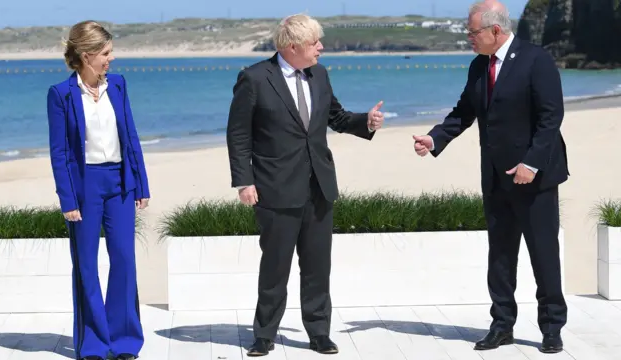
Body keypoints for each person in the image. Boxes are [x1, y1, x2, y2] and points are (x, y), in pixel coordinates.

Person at [412, 0, 568, 354]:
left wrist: (532, 163)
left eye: (473, 31)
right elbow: (464, 111)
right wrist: (435, 138)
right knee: (499, 256)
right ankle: (502, 325)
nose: (469, 37)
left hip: (535, 177)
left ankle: (551, 327)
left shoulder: (536, 60)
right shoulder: (478, 66)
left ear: (495, 30)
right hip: (496, 178)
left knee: (543, 254)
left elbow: (550, 117)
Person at [226, 13, 384, 357]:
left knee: (317, 267)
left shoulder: (320, 75)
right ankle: (264, 335)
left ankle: (318, 333)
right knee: (275, 268)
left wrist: (366, 122)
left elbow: (337, 117)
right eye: (315, 43)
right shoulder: (253, 78)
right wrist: (244, 182)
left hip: (319, 187)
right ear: (293, 46)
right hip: (274, 188)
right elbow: (238, 135)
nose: (321, 48)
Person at [46, 20, 150, 360]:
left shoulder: (118, 86)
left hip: (119, 183)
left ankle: (124, 343)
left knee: (124, 260)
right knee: (86, 266)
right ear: (87, 55)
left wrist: (141, 183)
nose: (112, 59)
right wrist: (68, 199)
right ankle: (93, 345)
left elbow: (130, 136)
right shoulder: (60, 95)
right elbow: (59, 151)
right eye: (106, 53)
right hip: (85, 186)